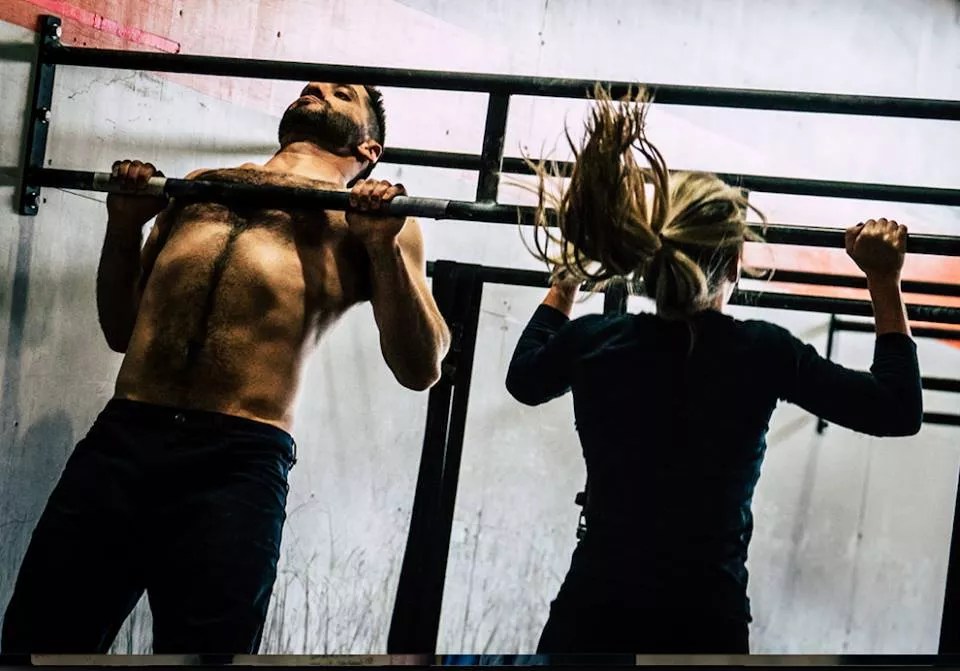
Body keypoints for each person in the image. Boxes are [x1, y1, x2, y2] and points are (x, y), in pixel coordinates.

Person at [2, 81, 451, 654]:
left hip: (236, 461)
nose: (317, 89)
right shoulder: (199, 186)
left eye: (342, 94)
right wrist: (124, 225)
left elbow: (422, 367)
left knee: (206, 656)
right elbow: (121, 330)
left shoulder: (373, 221)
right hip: (125, 437)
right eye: (313, 86)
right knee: (37, 646)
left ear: (369, 149)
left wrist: (382, 246)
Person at [505, 90, 923, 653]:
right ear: (735, 264)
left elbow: (524, 379)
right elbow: (896, 409)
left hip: (596, 608)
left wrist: (569, 277)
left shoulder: (596, 340)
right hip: (703, 617)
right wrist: (883, 280)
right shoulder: (761, 350)